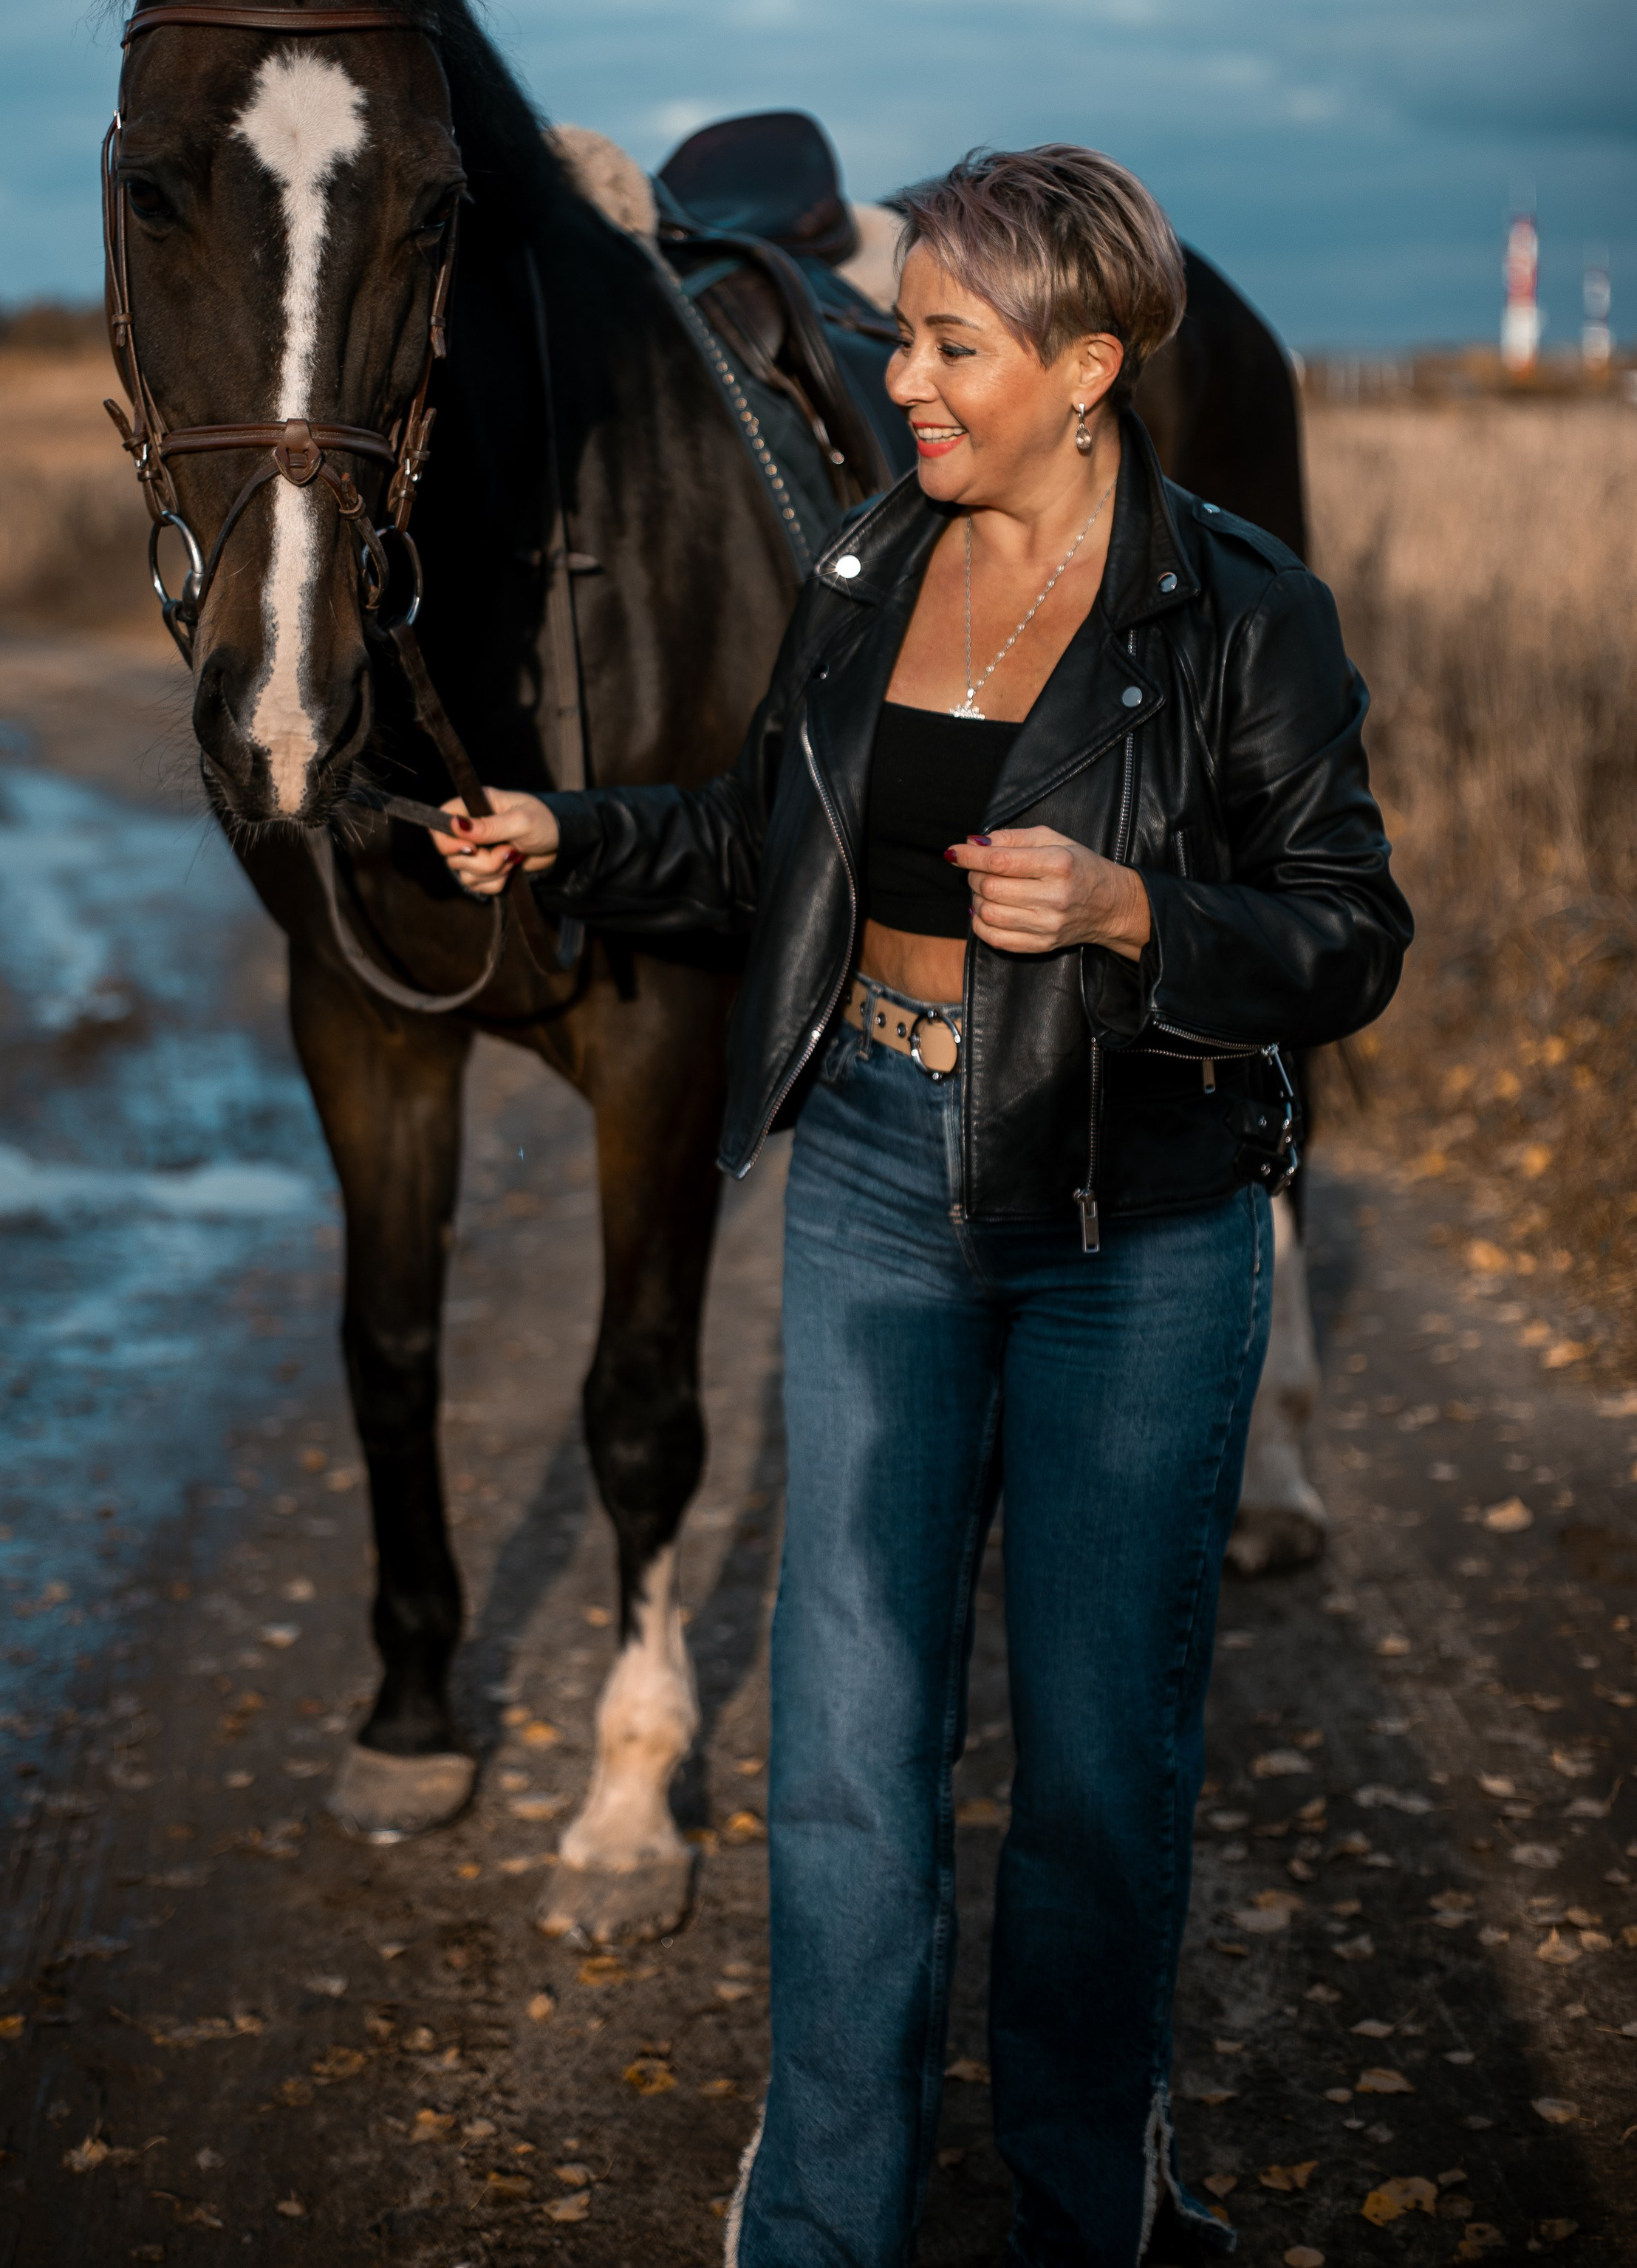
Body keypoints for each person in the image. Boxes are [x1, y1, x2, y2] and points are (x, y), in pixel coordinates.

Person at [432, 145, 1411, 2268]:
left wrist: (1147, 907)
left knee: (1089, 1772)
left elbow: (1351, 932)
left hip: (1133, 1225)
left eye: (949, 347)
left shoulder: (1242, 610)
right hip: (878, 1177)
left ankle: (1091, 2204)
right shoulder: (874, 564)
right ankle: (821, 2228)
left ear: (1089, 366)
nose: (907, 387)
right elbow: (761, 842)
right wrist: (569, 833)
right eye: (904, 343)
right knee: (857, 1763)